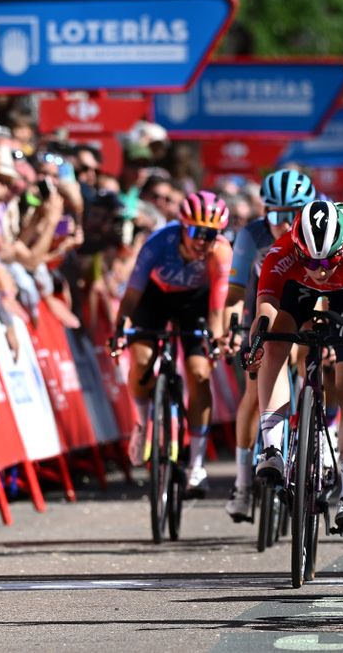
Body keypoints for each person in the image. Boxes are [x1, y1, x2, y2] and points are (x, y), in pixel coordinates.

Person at [248, 200, 343, 535]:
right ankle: (273, 448)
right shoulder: (282, 252)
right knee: (274, 344)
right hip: (297, 290)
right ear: (296, 247)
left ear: (342, 247)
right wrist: (257, 344)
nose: (320, 269)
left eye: (328, 259)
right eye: (311, 259)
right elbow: (265, 308)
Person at [114, 191, 233, 497]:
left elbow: (218, 306)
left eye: (211, 234)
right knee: (141, 360)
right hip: (155, 297)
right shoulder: (158, 242)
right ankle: (142, 425)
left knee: (199, 373)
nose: (203, 241)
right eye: (197, 232)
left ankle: (195, 465)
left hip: (195, 304)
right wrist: (119, 328)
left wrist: (216, 341)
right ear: (183, 227)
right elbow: (132, 294)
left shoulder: (220, 252)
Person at [223, 168, 316, 522]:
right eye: (276, 215)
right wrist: (231, 328)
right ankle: (243, 482)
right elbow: (233, 293)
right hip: (263, 304)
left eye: (292, 214)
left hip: (306, 301)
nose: (284, 223)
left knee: (311, 356)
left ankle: (315, 441)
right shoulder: (251, 235)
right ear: (265, 214)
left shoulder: (316, 228)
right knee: (253, 392)